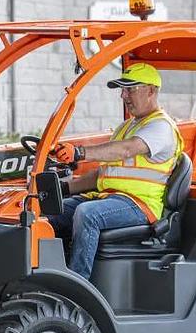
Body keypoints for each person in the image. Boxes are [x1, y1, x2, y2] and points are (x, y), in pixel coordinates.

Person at [48, 62, 183, 279]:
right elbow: (104, 174)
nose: (124, 96)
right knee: (52, 210)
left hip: (139, 205)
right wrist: (62, 188)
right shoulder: (126, 127)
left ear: (151, 90)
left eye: (130, 89)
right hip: (109, 198)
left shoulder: (161, 127)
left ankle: (76, 284)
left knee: (87, 214)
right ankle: (50, 274)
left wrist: (80, 153)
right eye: (123, 90)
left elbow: (127, 149)